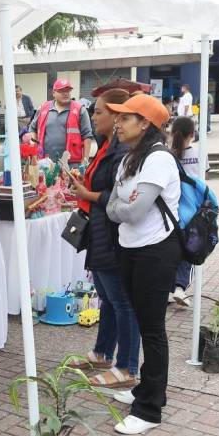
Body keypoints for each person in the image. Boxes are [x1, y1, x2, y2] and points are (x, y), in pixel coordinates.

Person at [104, 94, 182, 435]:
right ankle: (146, 388)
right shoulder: (129, 159)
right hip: (131, 247)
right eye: (117, 117)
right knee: (141, 318)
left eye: (125, 118)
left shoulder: (159, 159)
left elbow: (131, 210)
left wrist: (125, 208)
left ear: (145, 123)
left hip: (156, 250)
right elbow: (112, 206)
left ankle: (149, 409)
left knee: (152, 329)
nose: (117, 123)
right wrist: (126, 208)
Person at [68, 89, 140, 388]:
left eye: (99, 112)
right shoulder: (107, 146)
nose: (93, 116)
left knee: (121, 302)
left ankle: (126, 367)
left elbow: (122, 197)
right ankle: (102, 353)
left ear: (116, 116)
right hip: (100, 229)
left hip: (111, 234)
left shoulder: (123, 151)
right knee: (108, 299)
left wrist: (89, 194)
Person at [24, 79, 94, 167]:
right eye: (61, 91)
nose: (66, 93)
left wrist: (85, 160)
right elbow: (32, 129)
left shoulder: (80, 110)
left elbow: (87, 136)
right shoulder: (43, 108)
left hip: (71, 163)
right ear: (53, 93)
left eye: (68, 91)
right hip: (45, 162)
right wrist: (34, 151)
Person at [168, 116, 200, 306]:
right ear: (192, 134)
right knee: (190, 249)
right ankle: (179, 286)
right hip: (193, 210)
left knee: (171, 249)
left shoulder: (167, 154)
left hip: (171, 209)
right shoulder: (199, 152)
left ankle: (168, 288)